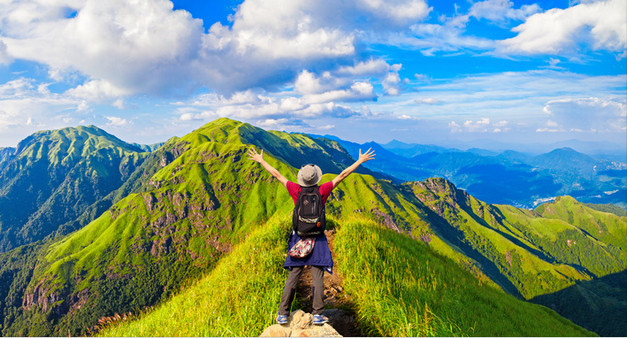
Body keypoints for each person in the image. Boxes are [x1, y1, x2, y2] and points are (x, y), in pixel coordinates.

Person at [247, 147, 375, 325]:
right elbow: (342, 175)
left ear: (302, 179)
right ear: (316, 178)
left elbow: (277, 175)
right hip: (318, 238)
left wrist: (261, 161)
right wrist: (360, 161)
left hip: (299, 237)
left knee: (294, 275)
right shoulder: (322, 190)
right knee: (318, 276)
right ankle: (317, 314)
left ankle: (283, 313)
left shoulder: (295, 190)